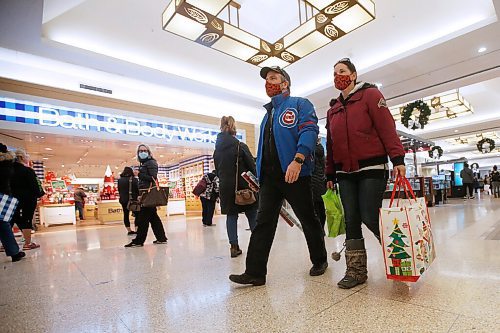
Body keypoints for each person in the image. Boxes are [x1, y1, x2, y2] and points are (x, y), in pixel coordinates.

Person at [229, 66, 328, 286]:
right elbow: (265, 147)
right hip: (269, 180)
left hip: (295, 174)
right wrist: (259, 175)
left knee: (308, 218)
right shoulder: (267, 115)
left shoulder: (300, 104)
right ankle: (255, 272)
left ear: (285, 84)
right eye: (266, 79)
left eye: (273, 78)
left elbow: (310, 130)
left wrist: (299, 159)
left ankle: (320, 259)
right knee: (263, 222)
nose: (268, 82)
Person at [325, 58, 406, 289]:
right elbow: (331, 145)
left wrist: (397, 158)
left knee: (370, 215)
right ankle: (356, 271)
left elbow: (386, 127)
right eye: (334, 73)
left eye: (341, 71)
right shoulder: (333, 110)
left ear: (353, 75)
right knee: (351, 219)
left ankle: (401, 259)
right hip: (344, 172)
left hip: (372, 167)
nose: (337, 76)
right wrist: (330, 173)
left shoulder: (371, 95)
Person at [214, 116, 258, 257]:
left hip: (225, 188)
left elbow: (217, 170)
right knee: (252, 213)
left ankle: (234, 247)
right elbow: (252, 167)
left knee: (231, 216)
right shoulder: (240, 146)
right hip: (243, 187)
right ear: (234, 128)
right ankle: (258, 244)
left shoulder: (217, 150)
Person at [125, 144, 168, 247]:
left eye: (144, 150)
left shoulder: (151, 163)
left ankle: (139, 241)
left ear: (149, 152)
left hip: (149, 194)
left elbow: (152, 177)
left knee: (142, 219)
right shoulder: (145, 163)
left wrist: (138, 174)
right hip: (146, 193)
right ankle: (161, 238)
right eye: (140, 151)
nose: (142, 152)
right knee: (153, 217)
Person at [10, 149, 42, 250]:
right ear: (22, 158)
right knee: (27, 218)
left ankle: (5, 244)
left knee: (9, 220)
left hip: (10, 199)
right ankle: (27, 243)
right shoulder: (28, 171)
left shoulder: (7, 170)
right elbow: (36, 186)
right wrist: (39, 195)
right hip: (27, 199)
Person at [0, 143, 26, 262]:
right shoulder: (8, 165)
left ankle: (14, 252)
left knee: (4, 225)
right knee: (4, 225)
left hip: (4, 197)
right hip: (4, 197)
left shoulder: (7, 165)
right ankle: (14, 252)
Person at [311, 138, 327, 233]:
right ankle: (321, 228)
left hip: (312, 181)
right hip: (321, 181)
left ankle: (318, 230)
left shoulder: (311, 151)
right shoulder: (321, 149)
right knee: (321, 207)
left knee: (315, 208)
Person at [118, 166, 139, 235]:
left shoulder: (120, 180)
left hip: (123, 200)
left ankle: (129, 230)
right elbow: (137, 190)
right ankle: (136, 229)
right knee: (136, 214)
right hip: (133, 200)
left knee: (126, 215)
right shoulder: (134, 179)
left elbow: (119, 190)